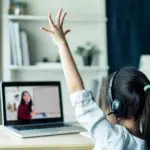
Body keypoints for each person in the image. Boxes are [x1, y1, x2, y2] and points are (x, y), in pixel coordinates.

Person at [41, 9, 149, 150]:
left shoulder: (112, 138)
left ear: (117, 105)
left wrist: (61, 43)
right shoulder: (144, 142)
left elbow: (77, 93)